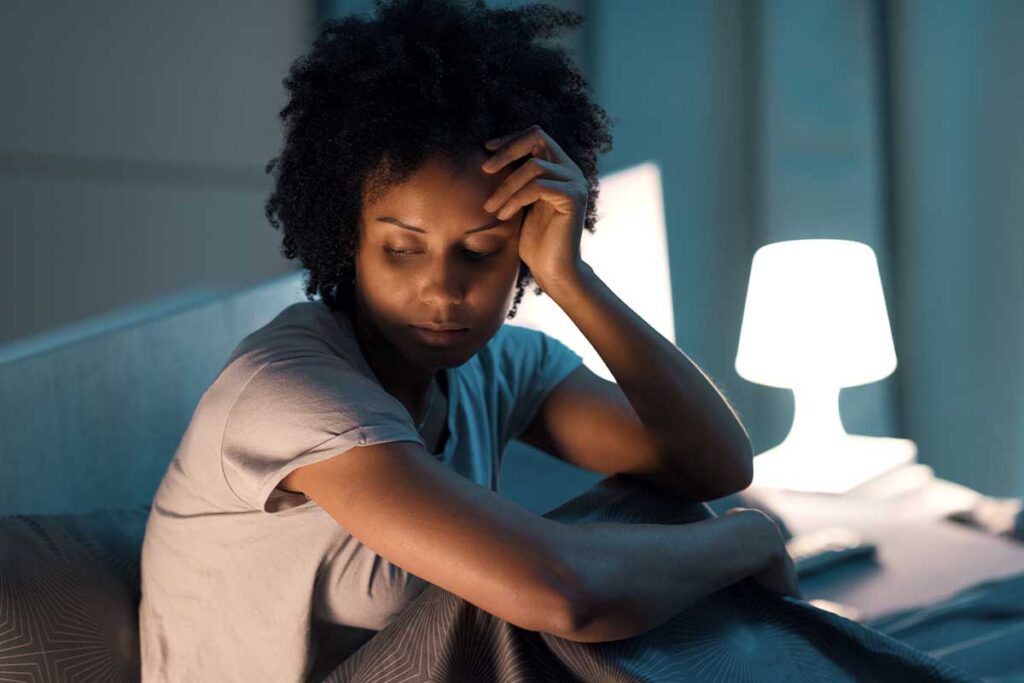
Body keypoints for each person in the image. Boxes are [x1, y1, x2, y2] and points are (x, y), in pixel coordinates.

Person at [138, 1, 802, 681]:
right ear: (349, 239)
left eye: (481, 251)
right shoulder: (289, 394)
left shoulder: (497, 368)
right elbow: (564, 591)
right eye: (402, 249)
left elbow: (713, 466)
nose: (442, 291)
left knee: (662, 512)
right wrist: (749, 536)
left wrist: (572, 278)